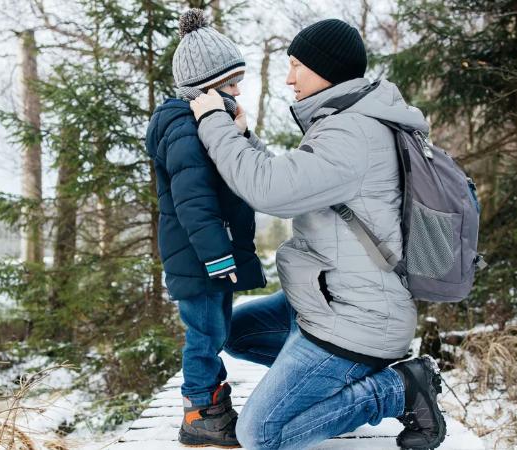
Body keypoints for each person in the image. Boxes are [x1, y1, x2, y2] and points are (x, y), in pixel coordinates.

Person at [189, 18, 446, 450]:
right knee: (233, 332)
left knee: (261, 434)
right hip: (325, 301)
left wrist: (213, 120)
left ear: (326, 68)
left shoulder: (354, 133)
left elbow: (269, 190)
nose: (289, 78)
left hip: (357, 320)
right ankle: (335, 390)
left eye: (296, 66)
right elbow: (293, 178)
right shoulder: (346, 120)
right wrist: (246, 138)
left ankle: (399, 388)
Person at [144, 8, 266, 448]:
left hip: (209, 255)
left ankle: (213, 403)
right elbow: (193, 201)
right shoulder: (183, 128)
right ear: (204, 87)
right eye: (230, 84)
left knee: (214, 330)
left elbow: (239, 174)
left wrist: (240, 134)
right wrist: (217, 255)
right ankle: (199, 411)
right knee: (205, 334)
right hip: (199, 257)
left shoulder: (205, 124)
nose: (238, 91)